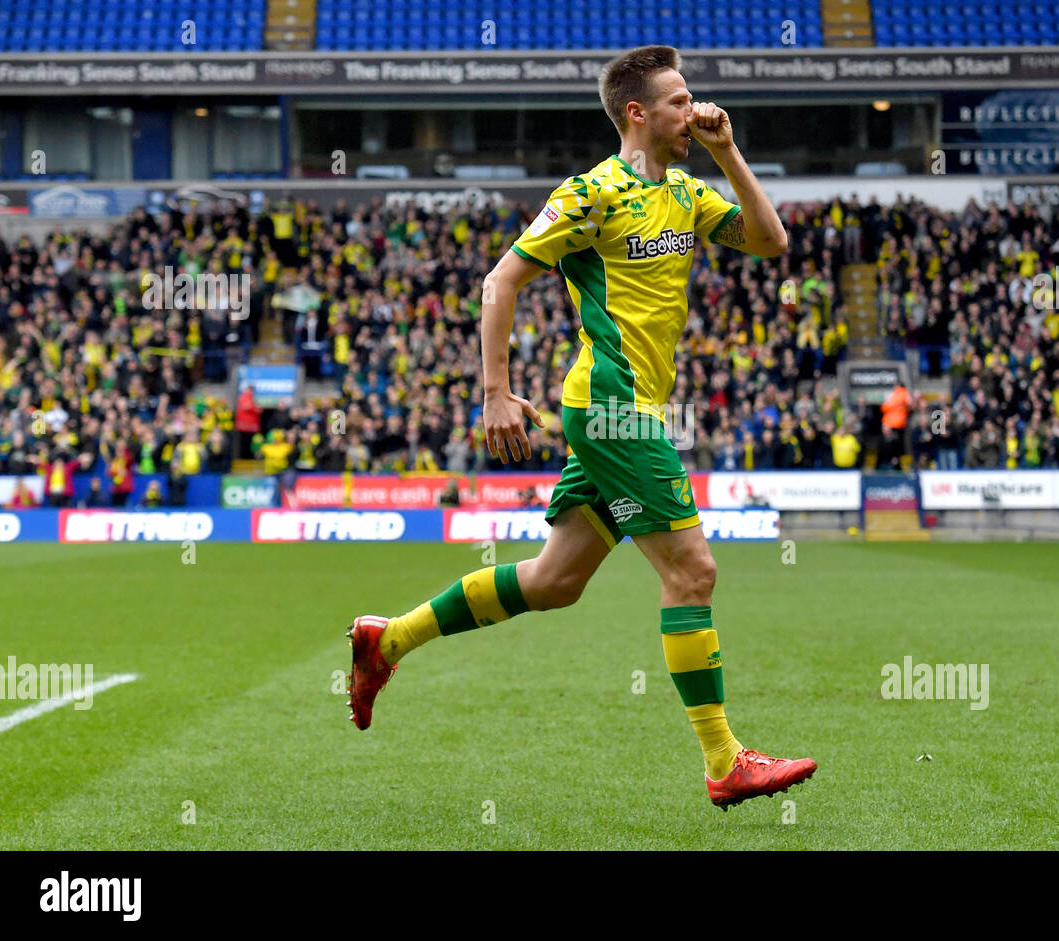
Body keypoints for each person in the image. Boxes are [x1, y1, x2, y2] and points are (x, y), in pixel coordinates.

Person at [344, 45, 815, 810]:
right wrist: (495, 391)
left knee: (553, 580)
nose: (693, 112)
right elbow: (500, 280)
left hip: (634, 410)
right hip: (611, 407)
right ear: (637, 113)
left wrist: (729, 152)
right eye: (679, 101)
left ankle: (386, 639)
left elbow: (771, 242)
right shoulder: (593, 193)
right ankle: (725, 760)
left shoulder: (689, 193)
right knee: (690, 571)